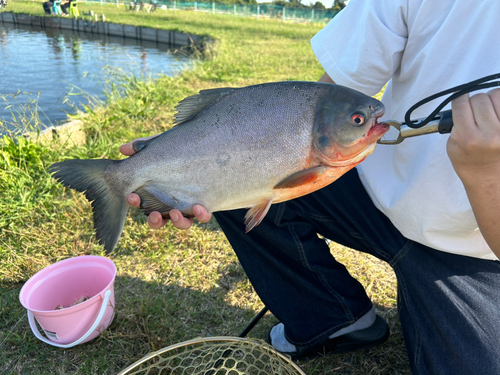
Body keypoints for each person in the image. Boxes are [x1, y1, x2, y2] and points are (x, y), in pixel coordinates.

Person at [120, 0, 500, 373]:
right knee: (249, 178)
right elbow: (324, 99)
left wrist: (484, 175)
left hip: (476, 254)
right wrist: (201, 147)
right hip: (372, 198)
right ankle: (335, 319)